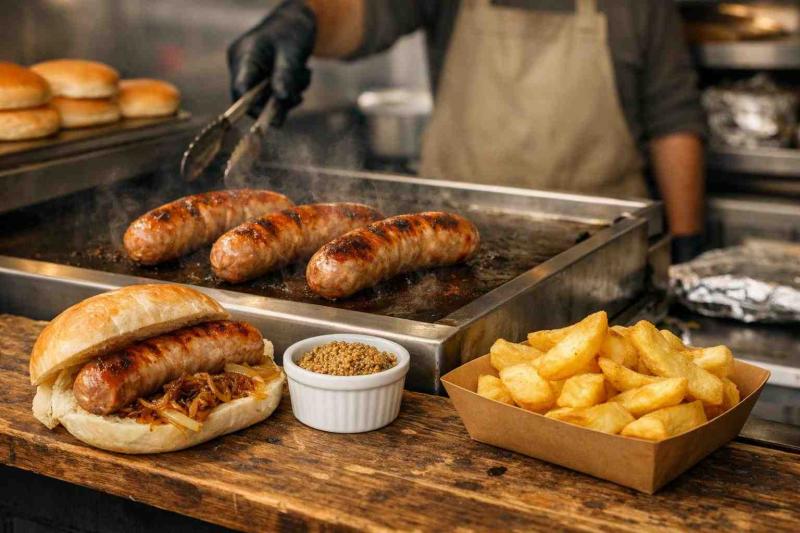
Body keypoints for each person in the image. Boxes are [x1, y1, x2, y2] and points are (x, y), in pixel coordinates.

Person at [227, 0, 706, 261]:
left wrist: (686, 242)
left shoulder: (643, 9)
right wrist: (302, 20)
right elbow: (361, 16)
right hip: (453, 243)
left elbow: (674, 120)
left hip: (599, 248)